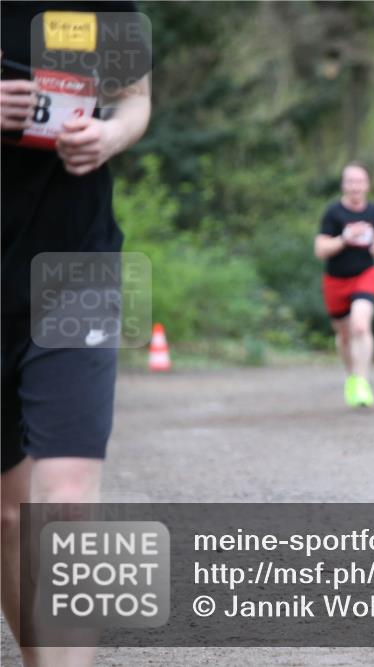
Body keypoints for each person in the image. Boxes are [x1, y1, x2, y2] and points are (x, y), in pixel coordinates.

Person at [1, 2, 152, 664]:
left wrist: (110, 137)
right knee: (7, 518)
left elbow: (134, 101)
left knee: (65, 500)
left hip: (76, 268)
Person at [314, 163, 374, 407]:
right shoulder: (333, 212)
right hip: (336, 280)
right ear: (344, 185)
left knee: (360, 325)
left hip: (365, 274)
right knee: (344, 334)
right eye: (351, 182)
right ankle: (351, 378)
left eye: (360, 181)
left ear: (367, 185)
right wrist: (345, 238)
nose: (356, 186)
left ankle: (363, 382)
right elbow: (320, 249)